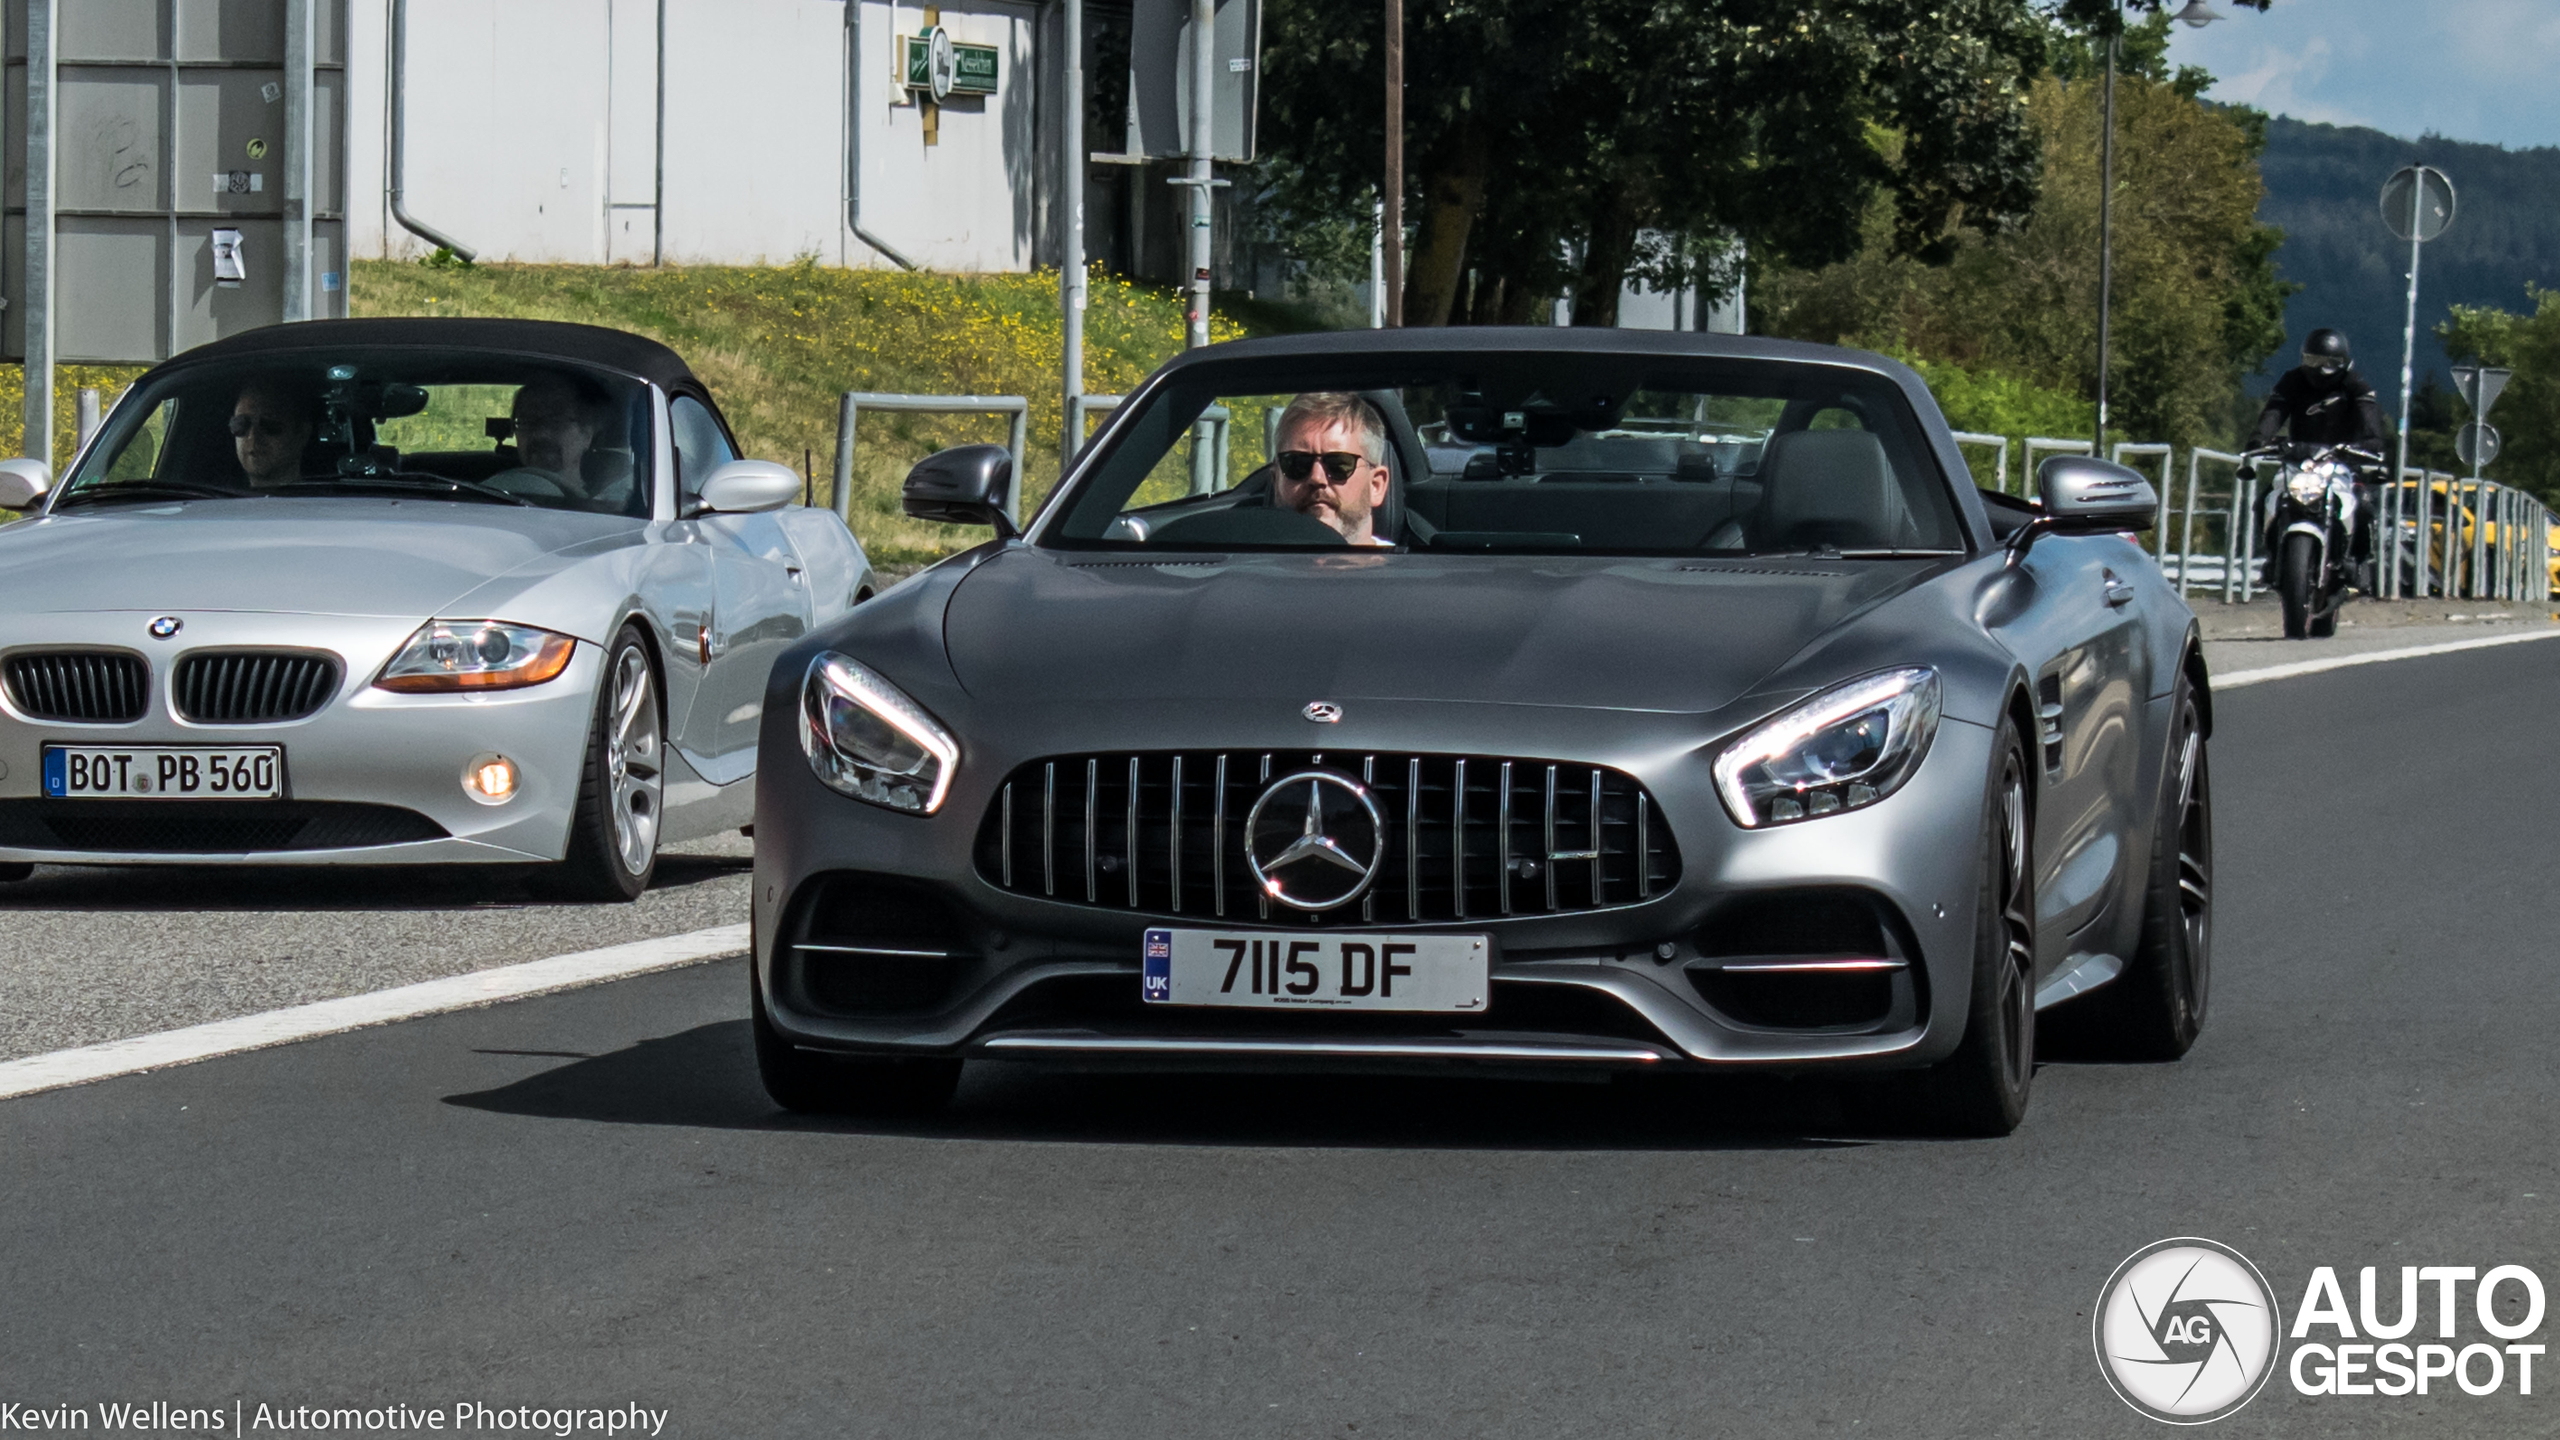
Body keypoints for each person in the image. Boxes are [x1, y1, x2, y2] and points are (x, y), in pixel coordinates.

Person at [2249, 328, 2387, 587]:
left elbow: (2371, 422)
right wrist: (2259, 440)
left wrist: (2371, 447)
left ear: (2344, 363)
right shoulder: (2293, 381)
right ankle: (2273, 556)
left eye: (2331, 363)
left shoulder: (2355, 385)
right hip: (2299, 460)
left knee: (2364, 505)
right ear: (2303, 359)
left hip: (2344, 461)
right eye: (2314, 361)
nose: (2322, 369)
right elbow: (2274, 413)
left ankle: (2359, 561)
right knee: (2264, 500)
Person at [1271, 392, 1394, 546]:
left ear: (1376, 486)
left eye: (1338, 465)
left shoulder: (1407, 569)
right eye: (1297, 464)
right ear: (1276, 482)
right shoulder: (1247, 566)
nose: (1316, 478)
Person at [489, 373, 625, 507]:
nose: (540, 434)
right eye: (527, 422)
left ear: (586, 434)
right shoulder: (487, 495)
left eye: (556, 421)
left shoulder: (613, 503)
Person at [230, 379, 317, 490]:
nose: (252, 436)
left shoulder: (329, 504)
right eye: (241, 424)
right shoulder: (214, 500)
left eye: (270, 424)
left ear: (303, 434)